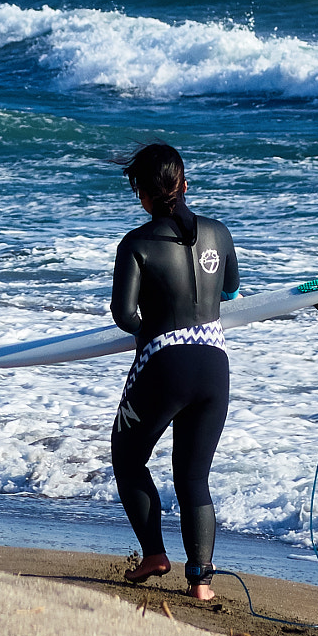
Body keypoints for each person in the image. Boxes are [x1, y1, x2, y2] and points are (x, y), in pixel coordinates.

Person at [109, 143, 238, 601]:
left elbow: (124, 316)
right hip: (215, 363)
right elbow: (232, 289)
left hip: (166, 362)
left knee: (126, 458)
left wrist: (154, 333)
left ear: (142, 195)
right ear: (184, 184)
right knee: (193, 476)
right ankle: (201, 581)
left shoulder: (137, 245)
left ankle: (154, 555)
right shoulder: (219, 233)